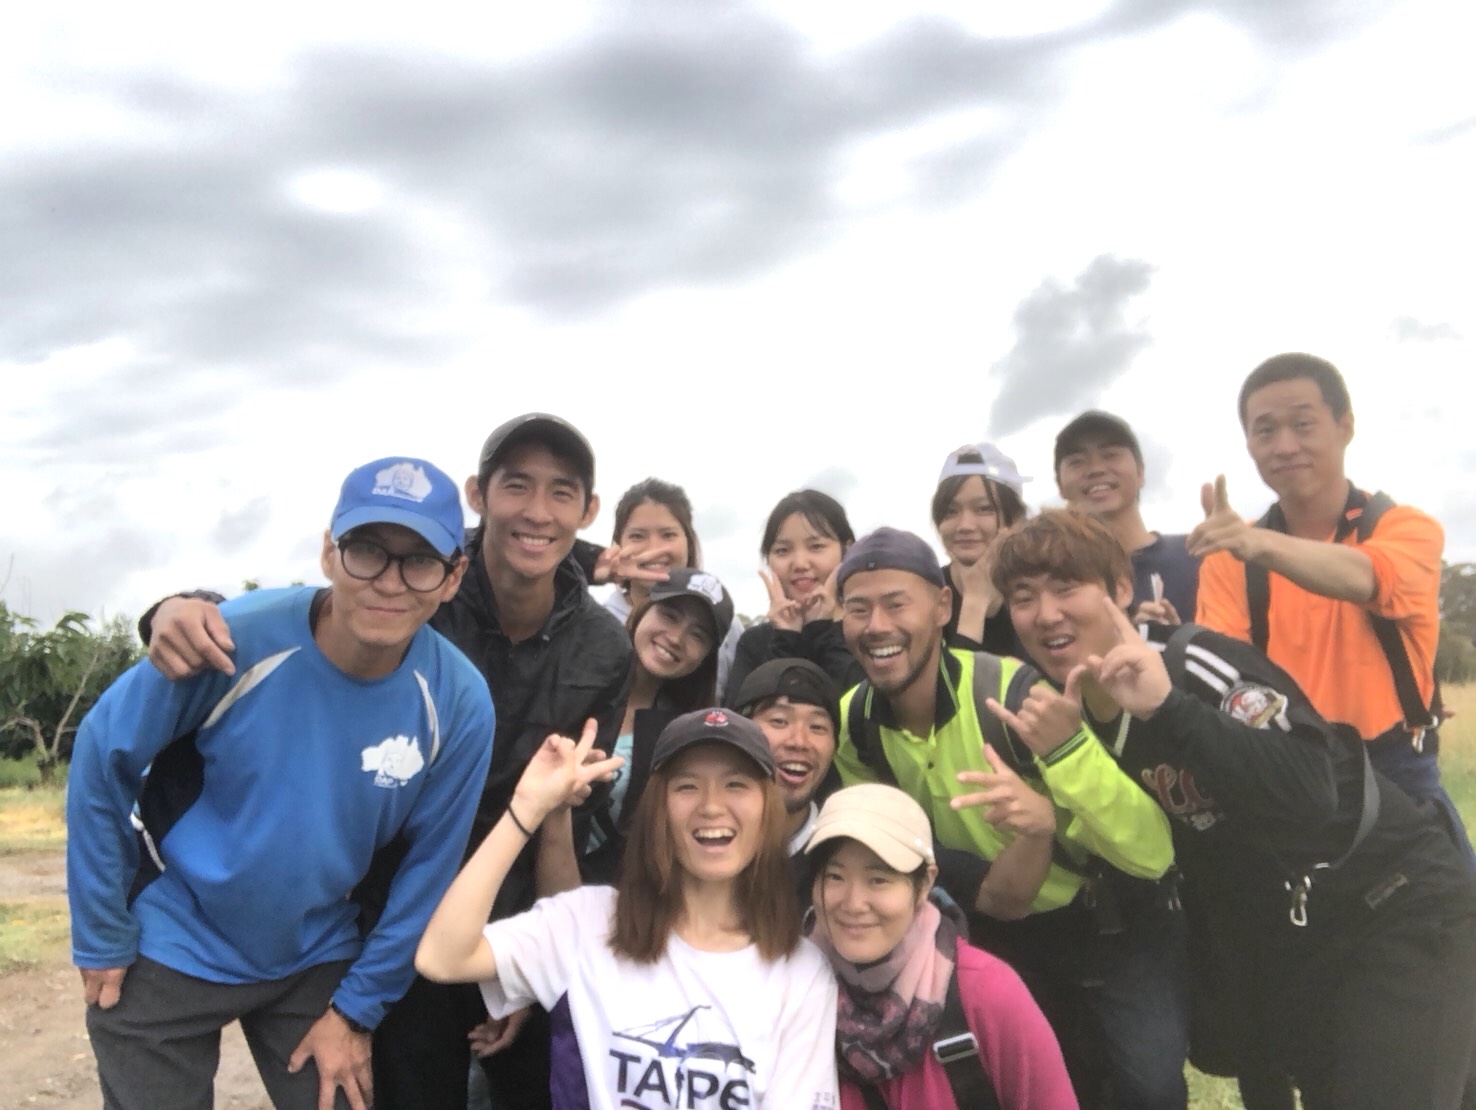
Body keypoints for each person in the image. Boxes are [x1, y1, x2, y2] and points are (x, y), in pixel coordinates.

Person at [142, 412, 633, 1110]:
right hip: (388, 916)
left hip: (511, 924)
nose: (536, 510)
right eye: (516, 485)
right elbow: (313, 617)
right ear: (478, 494)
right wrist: (183, 608)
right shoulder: (418, 589)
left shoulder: (605, 650)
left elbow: (564, 818)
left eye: (562, 492)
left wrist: (528, 965)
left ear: (587, 510)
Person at [993, 508, 1476, 1109]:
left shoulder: (1192, 663)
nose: (1046, 614)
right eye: (1024, 598)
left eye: (1067, 588)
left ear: (1120, 589)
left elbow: (1310, 789)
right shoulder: (1068, 724)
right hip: (1302, 936)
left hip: (1398, 901)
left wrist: (1169, 709)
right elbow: (1185, 861)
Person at [67, 456, 495, 1110]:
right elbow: (103, 752)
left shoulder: (458, 702)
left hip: (312, 955)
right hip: (173, 933)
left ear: (453, 576)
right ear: (328, 552)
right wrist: (100, 931)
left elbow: (429, 871)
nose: (389, 581)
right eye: (367, 550)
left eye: (419, 561)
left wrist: (357, 1009)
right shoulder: (235, 638)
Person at [831, 526, 1187, 1109]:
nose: (877, 626)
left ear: (942, 607)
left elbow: (1153, 851)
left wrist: (1064, 767)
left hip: (1100, 921)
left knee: (1148, 1088)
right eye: (858, 609)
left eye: (897, 604)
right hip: (985, 929)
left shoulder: (1009, 694)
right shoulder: (856, 721)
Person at [415, 709, 840, 1109]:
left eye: (736, 784)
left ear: (768, 808)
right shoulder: (586, 922)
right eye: (687, 786)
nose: (712, 806)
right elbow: (442, 957)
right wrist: (528, 808)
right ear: (658, 809)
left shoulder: (801, 973)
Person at [1192, 353, 1472, 861]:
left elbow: (1368, 577)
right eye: (1265, 430)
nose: (1285, 446)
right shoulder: (1232, 557)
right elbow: (1229, 680)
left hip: (1398, 768)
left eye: (1303, 424)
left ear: (1345, 427)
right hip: (1290, 770)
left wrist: (1258, 545)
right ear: (1249, 444)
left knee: (1448, 909)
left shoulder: (1406, 529)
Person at [805, 783, 1078, 1109]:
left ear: (924, 884)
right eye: (834, 877)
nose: (853, 903)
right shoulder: (791, 990)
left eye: (878, 880)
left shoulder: (985, 993)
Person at [583, 567, 735, 881]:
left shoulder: (688, 740)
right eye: (669, 616)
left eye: (697, 635)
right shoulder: (575, 677)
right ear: (643, 609)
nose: (676, 638)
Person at [593, 478, 744, 695]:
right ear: (617, 544)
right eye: (637, 536)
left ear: (689, 541)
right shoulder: (594, 623)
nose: (654, 548)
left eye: (668, 535)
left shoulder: (728, 629)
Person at [1054, 410, 1198, 624]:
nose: (1095, 469)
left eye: (1110, 455)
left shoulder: (1197, 555)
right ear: (1059, 485)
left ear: (1140, 472)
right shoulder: (1054, 583)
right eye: (1077, 462)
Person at [723, 489, 865, 706]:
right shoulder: (754, 643)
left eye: (816, 546)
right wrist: (784, 639)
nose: (800, 563)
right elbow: (744, 719)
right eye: (782, 550)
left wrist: (822, 630)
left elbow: (856, 709)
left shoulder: (866, 632)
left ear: (847, 551)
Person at [732, 657, 843, 897]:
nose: (799, 741)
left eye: (817, 727)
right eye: (779, 721)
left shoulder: (843, 853)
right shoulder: (699, 843)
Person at [931, 442, 1031, 657]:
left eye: (984, 509)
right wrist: (974, 604)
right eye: (950, 511)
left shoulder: (1039, 587)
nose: (965, 525)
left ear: (1014, 519)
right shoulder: (926, 595)